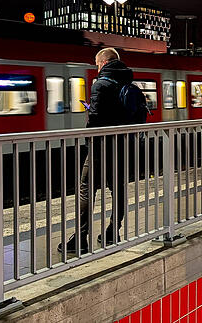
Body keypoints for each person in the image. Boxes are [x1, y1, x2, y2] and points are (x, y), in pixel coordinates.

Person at [59, 47, 134, 254]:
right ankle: (112, 232)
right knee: (118, 188)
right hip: (123, 145)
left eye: (96, 63)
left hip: (101, 147)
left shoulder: (100, 85)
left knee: (86, 188)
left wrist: (89, 137)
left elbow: (96, 120)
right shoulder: (128, 82)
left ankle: (80, 238)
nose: (96, 67)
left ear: (103, 62)